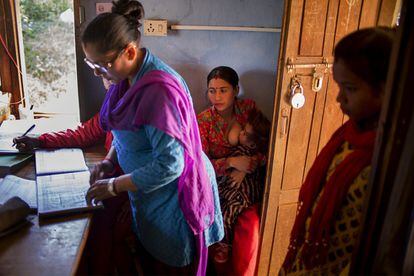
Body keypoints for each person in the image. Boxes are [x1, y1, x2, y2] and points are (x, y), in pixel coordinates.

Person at [82, 0, 224, 275]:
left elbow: (171, 164)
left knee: (172, 265)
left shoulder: (159, 92)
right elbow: (125, 134)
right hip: (149, 192)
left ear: (130, 51)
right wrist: (109, 163)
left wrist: (114, 186)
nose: (100, 72)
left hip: (174, 196)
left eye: (103, 65)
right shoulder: (125, 78)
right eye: (92, 65)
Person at [280, 27, 395, 275]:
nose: (339, 98)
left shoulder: (391, 159)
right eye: (340, 87)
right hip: (307, 264)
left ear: (387, 88)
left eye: (350, 88)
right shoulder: (349, 135)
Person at [12, 79, 135, 274]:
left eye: (105, 71)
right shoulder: (112, 103)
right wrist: (40, 141)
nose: (102, 76)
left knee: (100, 230)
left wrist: (134, 201)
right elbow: (84, 133)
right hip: (113, 185)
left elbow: (152, 168)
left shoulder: (136, 109)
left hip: (131, 192)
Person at [197, 66, 267, 274]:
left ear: (236, 90)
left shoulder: (248, 110)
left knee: (248, 217)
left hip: (251, 176)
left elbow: (266, 145)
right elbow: (201, 163)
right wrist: (231, 162)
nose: (216, 97)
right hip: (217, 180)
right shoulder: (203, 121)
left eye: (223, 90)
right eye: (212, 90)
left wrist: (246, 167)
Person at [214, 108, 270, 263]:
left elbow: (263, 158)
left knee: (229, 210)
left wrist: (249, 165)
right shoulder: (209, 120)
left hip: (245, 190)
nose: (240, 133)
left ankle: (225, 244)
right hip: (231, 183)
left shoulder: (253, 152)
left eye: (244, 133)